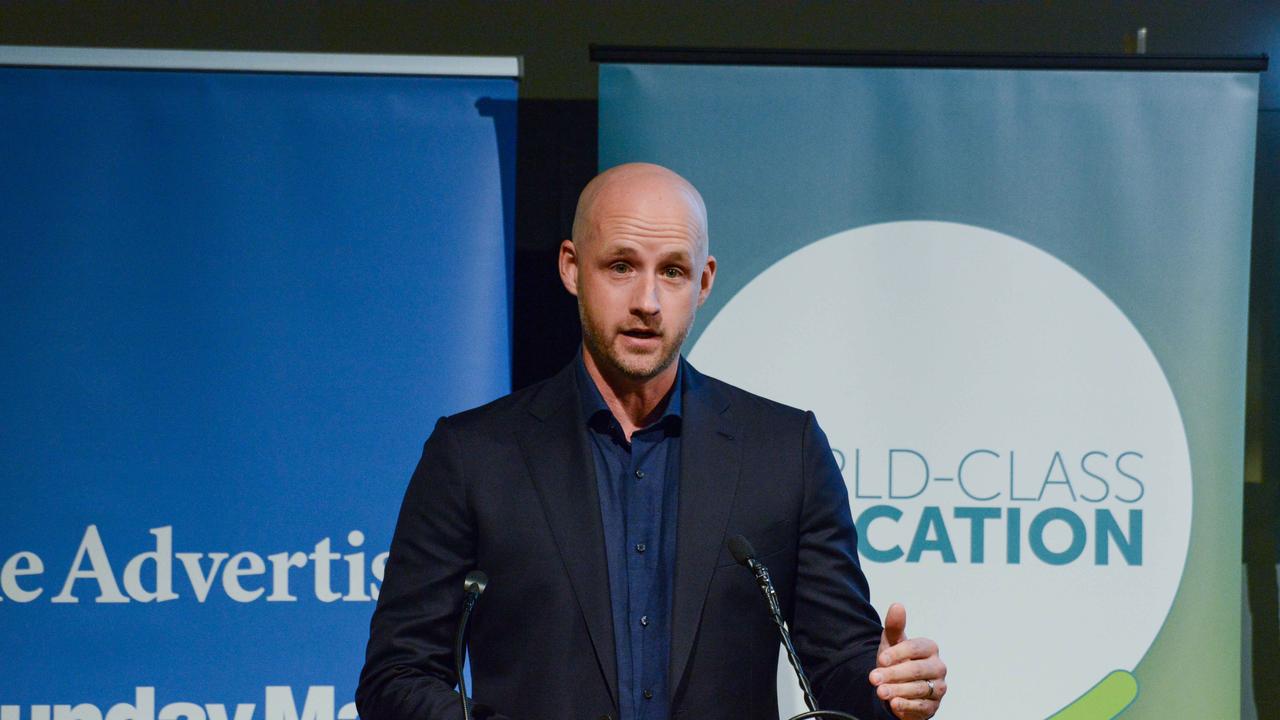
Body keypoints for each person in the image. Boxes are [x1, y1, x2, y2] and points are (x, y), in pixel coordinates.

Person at [357, 163, 947, 720]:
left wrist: (889, 685)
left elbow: (839, 663)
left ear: (705, 280)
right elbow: (396, 675)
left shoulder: (784, 452)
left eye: (672, 271)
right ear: (570, 267)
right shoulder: (474, 455)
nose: (647, 301)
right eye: (620, 266)